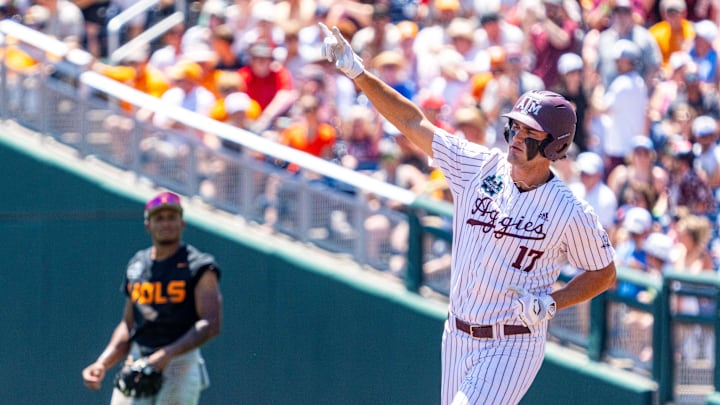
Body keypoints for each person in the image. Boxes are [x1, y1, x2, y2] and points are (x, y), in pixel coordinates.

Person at [319, 23, 617, 405]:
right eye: (516, 127)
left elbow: (604, 272)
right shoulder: (478, 165)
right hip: (457, 334)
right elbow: (413, 122)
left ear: (554, 145)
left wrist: (554, 302)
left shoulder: (568, 210)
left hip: (514, 340)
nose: (517, 137)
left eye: (530, 133)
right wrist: (358, 73)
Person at [81, 191, 222, 404]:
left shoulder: (198, 266)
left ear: (182, 223)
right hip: (140, 358)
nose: (166, 223)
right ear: (148, 225)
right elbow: (129, 325)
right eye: (159, 218)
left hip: (179, 361)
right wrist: (103, 362)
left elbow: (211, 324)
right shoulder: (137, 265)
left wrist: (166, 354)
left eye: (171, 217)